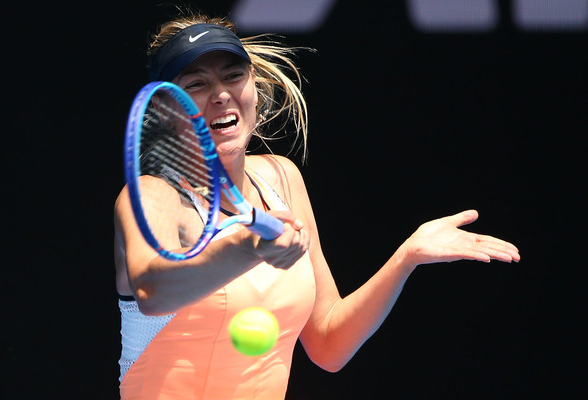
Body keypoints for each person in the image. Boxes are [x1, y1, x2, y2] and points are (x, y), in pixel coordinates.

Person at [113, 10, 521, 400]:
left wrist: (406, 257)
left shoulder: (282, 178)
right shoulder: (152, 195)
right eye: (196, 84)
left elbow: (328, 343)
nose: (220, 94)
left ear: (253, 87)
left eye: (233, 75)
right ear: (167, 109)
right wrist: (247, 248)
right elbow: (153, 290)